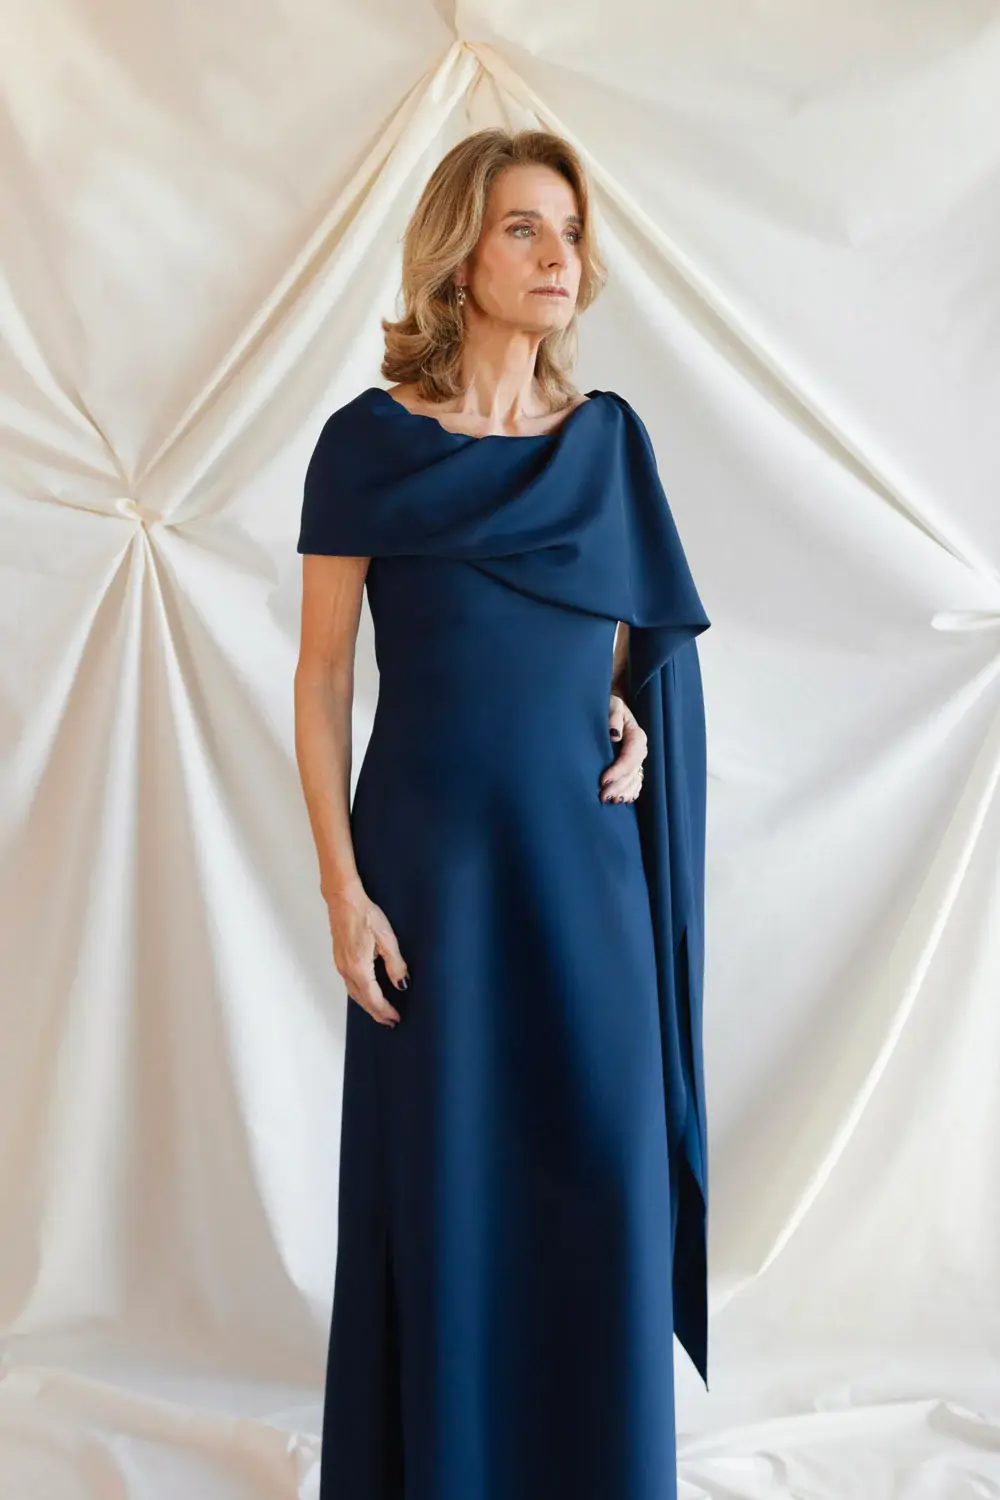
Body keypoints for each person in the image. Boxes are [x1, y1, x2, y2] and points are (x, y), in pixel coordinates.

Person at [294, 126, 711, 1500]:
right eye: (525, 228)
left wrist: (629, 718)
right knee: (449, 1194)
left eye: (570, 233)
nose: (557, 257)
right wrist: (341, 891)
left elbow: (620, 649)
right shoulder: (365, 446)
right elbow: (321, 677)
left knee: (601, 1177)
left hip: (584, 876)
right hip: (431, 882)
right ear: (457, 254)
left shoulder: (608, 444)